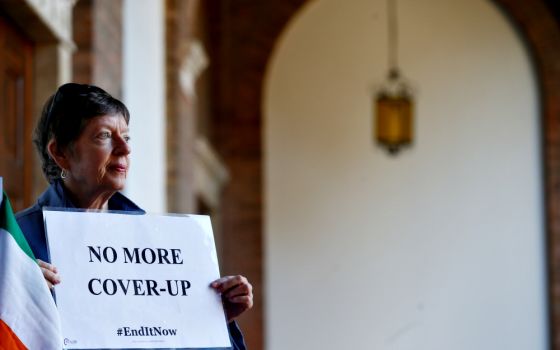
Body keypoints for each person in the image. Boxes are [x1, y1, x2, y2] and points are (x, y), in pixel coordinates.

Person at [16, 83, 252, 349]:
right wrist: (14, 299)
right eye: (104, 136)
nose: (124, 149)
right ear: (60, 153)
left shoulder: (156, 240)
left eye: (126, 138)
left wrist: (213, 320)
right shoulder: (15, 243)